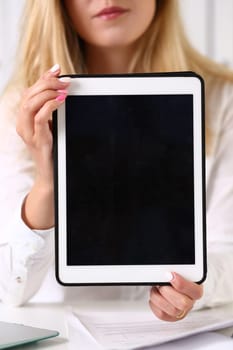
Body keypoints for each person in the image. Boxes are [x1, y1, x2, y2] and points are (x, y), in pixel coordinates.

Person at [0, 0, 233, 323]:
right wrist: (47, 182)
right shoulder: (25, 107)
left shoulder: (222, 99)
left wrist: (193, 287)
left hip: (177, 336)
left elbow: (228, 251)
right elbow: (10, 289)